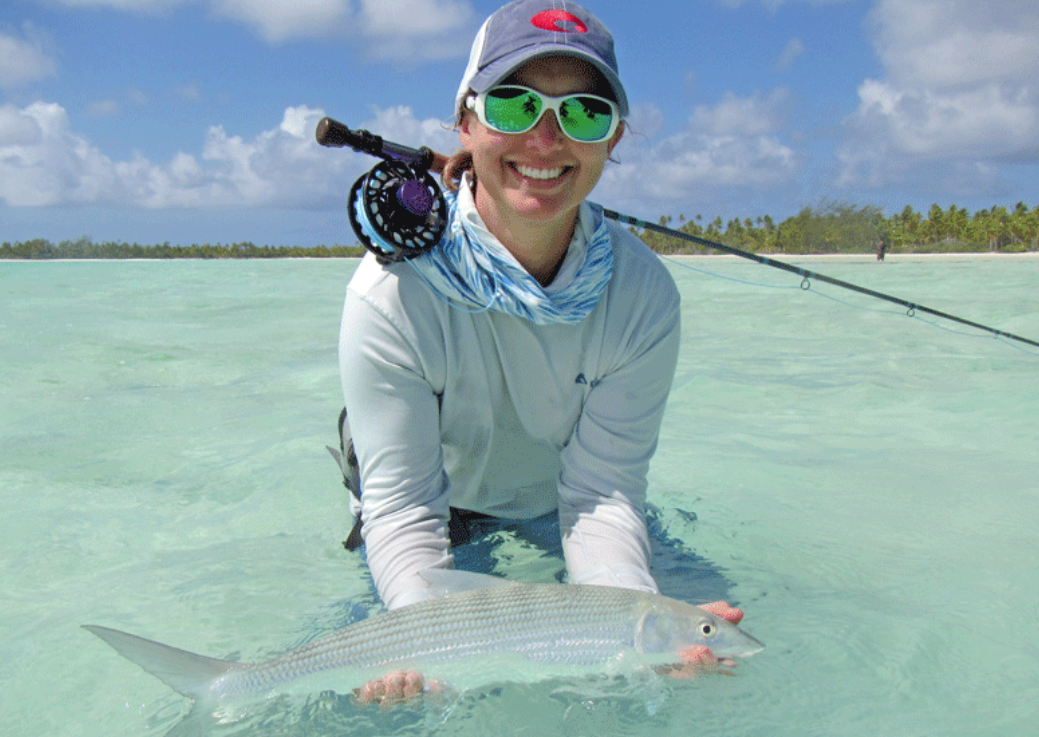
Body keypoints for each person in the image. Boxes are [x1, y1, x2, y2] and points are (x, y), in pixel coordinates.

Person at [336, 0, 744, 704]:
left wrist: (634, 629)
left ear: (612, 138)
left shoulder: (643, 294)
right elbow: (402, 507)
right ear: (466, 122)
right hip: (438, 510)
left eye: (583, 113)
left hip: (558, 504)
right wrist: (416, 631)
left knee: (671, 674)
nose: (546, 139)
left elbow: (601, 492)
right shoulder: (390, 293)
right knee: (365, 705)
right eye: (515, 105)